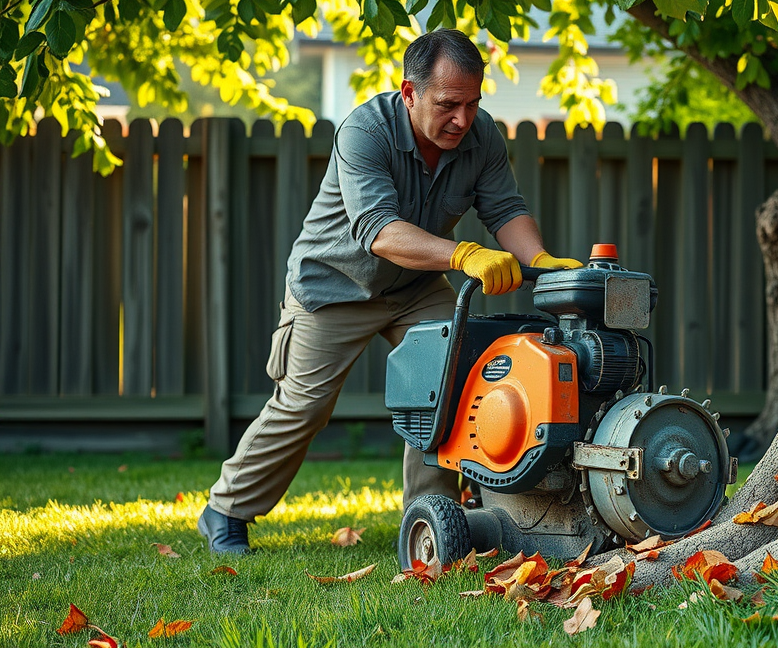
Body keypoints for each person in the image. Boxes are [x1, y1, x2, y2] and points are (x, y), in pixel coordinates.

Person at [197, 30, 580, 554]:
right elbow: (378, 230)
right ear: (409, 93)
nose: (462, 119)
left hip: (415, 287)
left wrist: (538, 258)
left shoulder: (482, 136)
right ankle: (226, 509)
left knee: (454, 382)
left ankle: (431, 524)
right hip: (332, 285)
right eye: (448, 105)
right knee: (305, 406)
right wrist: (464, 254)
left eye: (472, 104)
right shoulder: (365, 132)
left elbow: (505, 208)